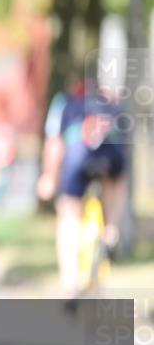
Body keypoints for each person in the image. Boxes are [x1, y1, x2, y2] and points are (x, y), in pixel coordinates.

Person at [36, 78, 128, 304]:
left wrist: (49, 178)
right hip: (111, 155)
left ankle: (70, 284)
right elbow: (123, 148)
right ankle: (111, 233)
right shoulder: (113, 106)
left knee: (69, 214)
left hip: (78, 153)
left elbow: (55, 144)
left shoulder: (63, 103)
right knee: (115, 185)